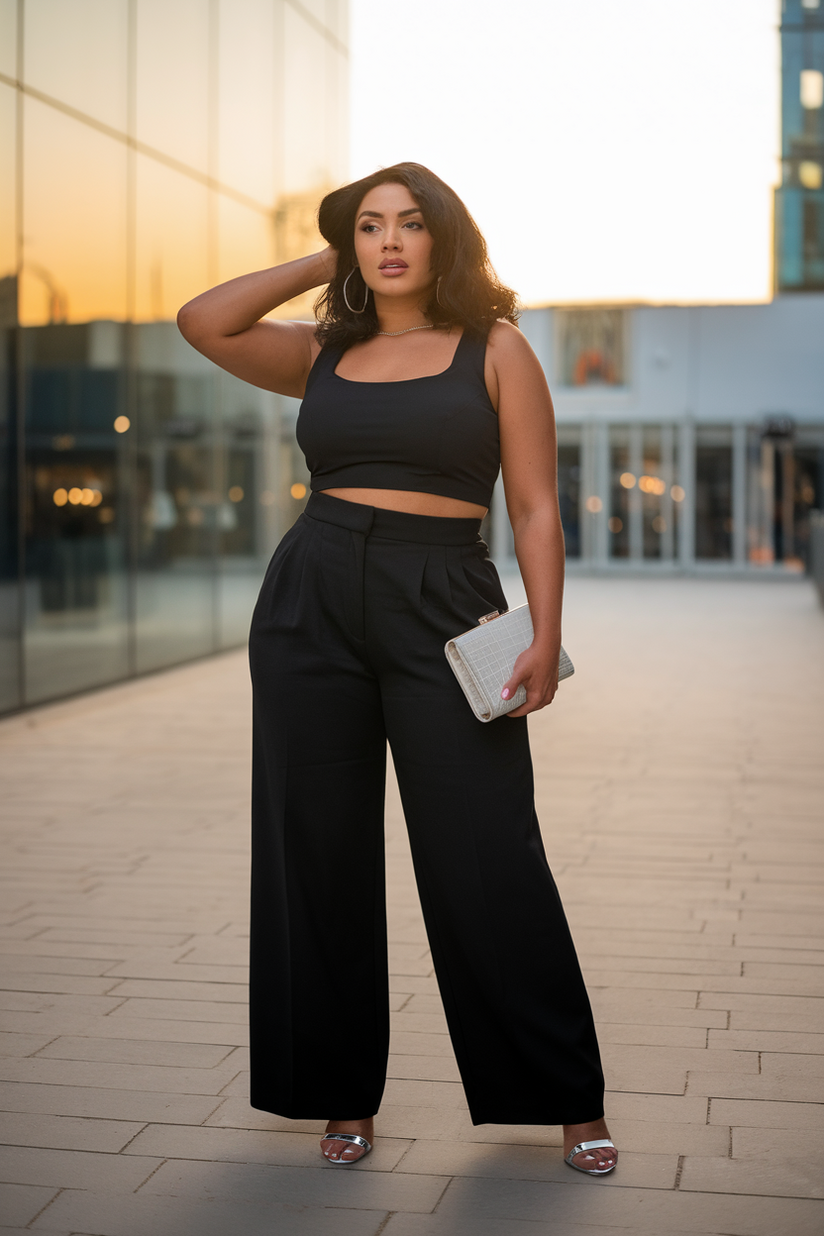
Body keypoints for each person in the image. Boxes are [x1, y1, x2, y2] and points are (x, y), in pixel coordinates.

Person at [177, 162, 617, 1176]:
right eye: (367, 228)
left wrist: (543, 634)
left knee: (486, 852)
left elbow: (536, 507)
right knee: (314, 854)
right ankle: (340, 1097)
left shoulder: (495, 350)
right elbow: (204, 321)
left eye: (407, 225)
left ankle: (564, 1096)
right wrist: (323, 255)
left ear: (442, 240)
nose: (386, 243)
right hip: (310, 600)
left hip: (443, 602)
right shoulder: (324, 351)